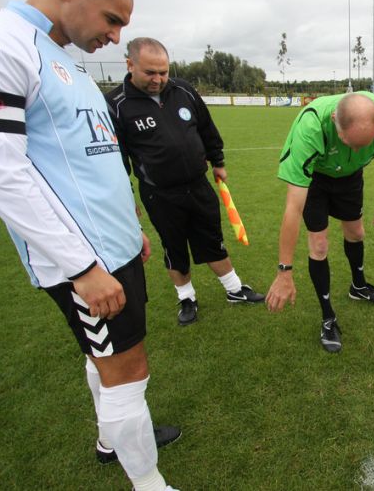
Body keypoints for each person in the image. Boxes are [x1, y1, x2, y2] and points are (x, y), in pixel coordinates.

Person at [0, 0, 179, 490]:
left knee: (109, 359)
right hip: (85, 259)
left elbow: (93, 157)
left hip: (113, 247)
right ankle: (149, 484)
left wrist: (130, 226)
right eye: (111, 19)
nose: (116, 35)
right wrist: (81, 267)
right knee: (127, 373)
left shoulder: (63, 57)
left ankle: (114, 438)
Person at [106, 38, 265, 326]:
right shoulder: (116, 104)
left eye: (163, 72)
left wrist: (218, 162)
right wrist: (126, 198)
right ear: (130, 65)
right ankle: (186, 298)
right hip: (160, 194)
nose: (158, 79)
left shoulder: (183, 90)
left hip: (198, 185)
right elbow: (117, 159)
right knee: (174, 247)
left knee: (213, 239)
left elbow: (206, 127)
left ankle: (234, 289)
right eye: (150, 72)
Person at [265, 92, 374, 353]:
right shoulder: (310, 127)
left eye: (363, 145)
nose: (357, 150)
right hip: (316, 179)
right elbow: (293, 207)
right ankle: (328, 316)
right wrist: (284, 271)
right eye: (350, 143)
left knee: (357, 233)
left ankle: (358, 286)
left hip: (350, 177)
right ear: (334, 120)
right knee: (318, 245)